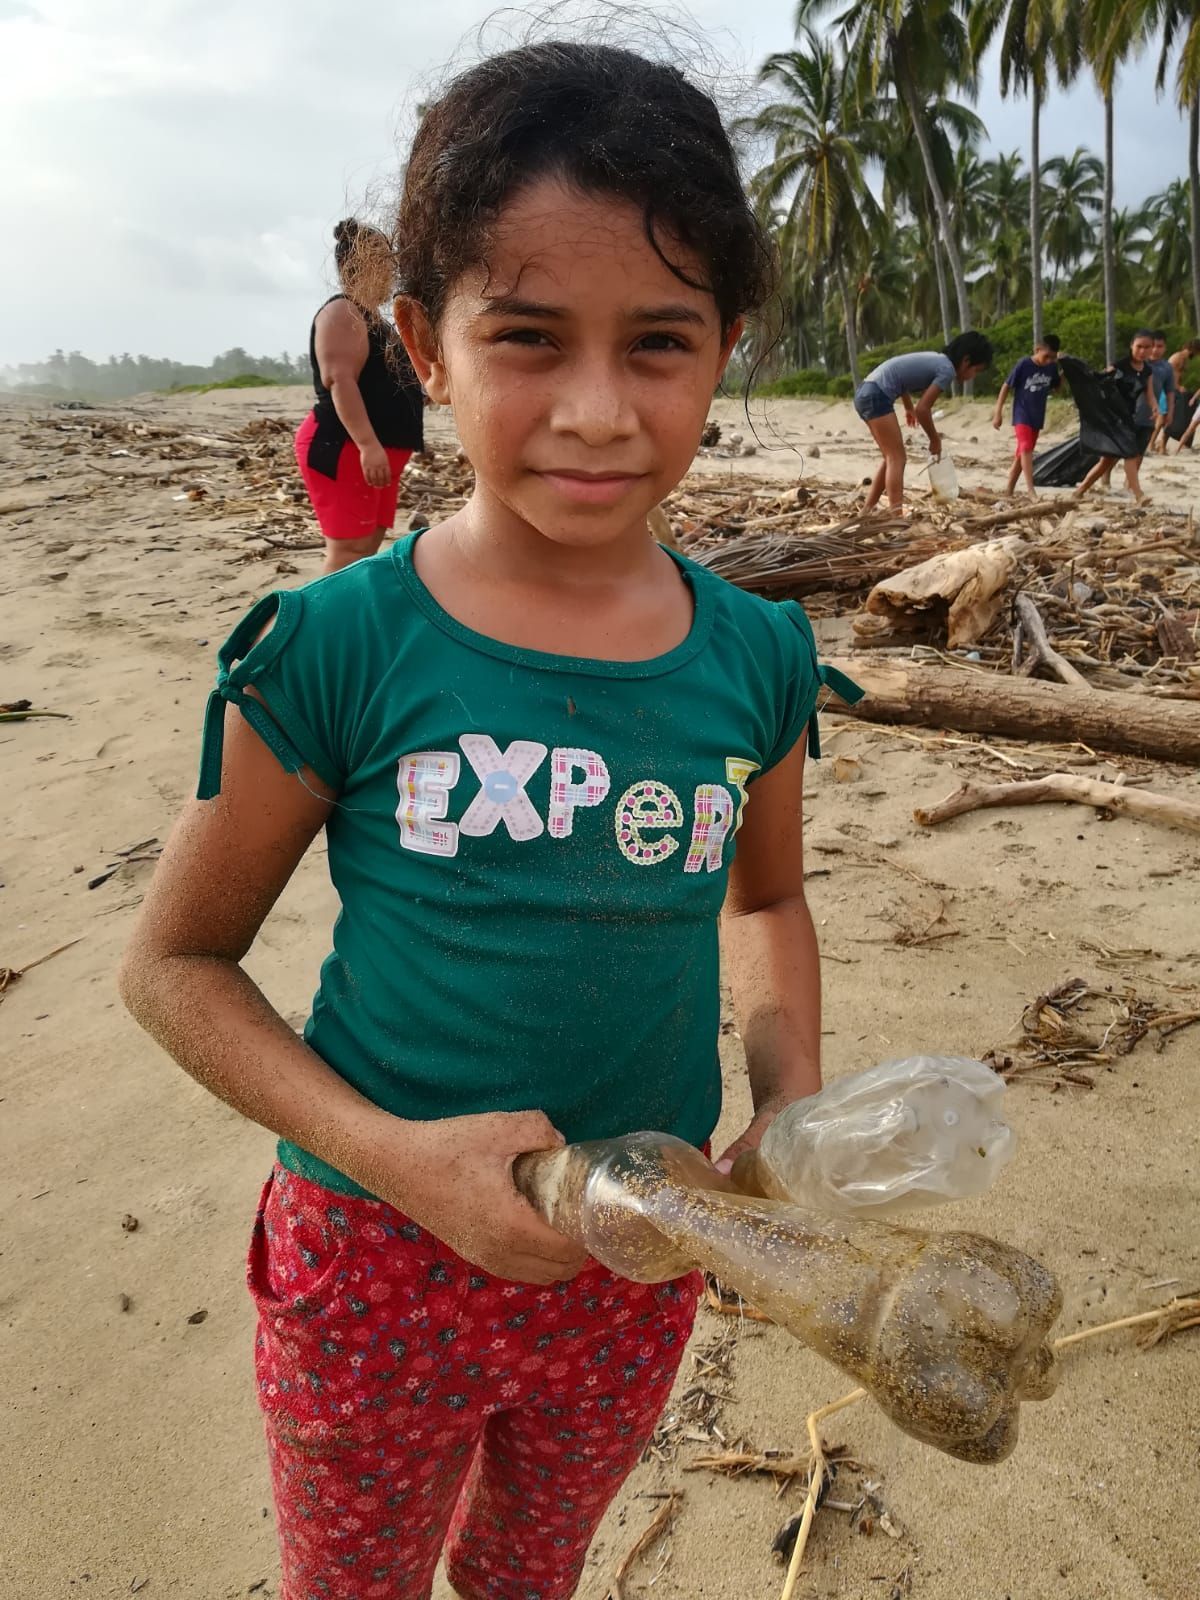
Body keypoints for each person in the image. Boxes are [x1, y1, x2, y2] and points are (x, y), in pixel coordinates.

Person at [119, 40, 861, 1600]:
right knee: (359, 1578)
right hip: (374, 1262)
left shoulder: (757, 656)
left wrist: (786, 1098)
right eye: (528, 336)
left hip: (635, 1257)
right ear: (426, 345)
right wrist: (388, 1156)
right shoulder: (338, 647)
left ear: (729, 345)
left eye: (658, 342)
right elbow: (174, 964)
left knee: (531, 1570)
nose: (596, 410)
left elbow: (766, 903)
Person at [296, 219, 426, 574]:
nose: (392, 271)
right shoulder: (342, 312)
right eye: (385, 262)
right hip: (346, 446)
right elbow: (340, 380)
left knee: (367, 544)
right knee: (349, 551)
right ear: (362, 264)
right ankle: (323, 626)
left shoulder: (374, 320)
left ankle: (344, 623)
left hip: (375, 449)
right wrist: (368, 445)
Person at [853, 332, 993, 512]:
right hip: (876, 394)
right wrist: (935, 439)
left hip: (866, 391)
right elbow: (923, 410)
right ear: (966, 361)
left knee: (890, 458)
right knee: (897, 458)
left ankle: (867, 510)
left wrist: (908, 406)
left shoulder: (937, 360)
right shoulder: (947, 370)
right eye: (976, 370)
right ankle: (896, 516)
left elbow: (900, 377)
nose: (973, 376)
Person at [1075, 330, 1157, 504]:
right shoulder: (1119, 366)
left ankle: (1079, 491)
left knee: (1106, 462)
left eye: (1147, 347)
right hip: (1113, 418)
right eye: (1139, 346)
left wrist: (1155, 407)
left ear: (1152, 349)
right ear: (1131, 346)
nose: (1142, 351)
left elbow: (1149, 394)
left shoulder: (1147, 371)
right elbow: (1099, 382)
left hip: (1128, 418)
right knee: (1131, 454)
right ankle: (1139, 495)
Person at [991, 333, 1062, 496]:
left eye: (1052, 358)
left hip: (1037, 416)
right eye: (1046, 357)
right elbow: (1006, 386)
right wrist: (998, 413)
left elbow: (1057, 388)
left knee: (1021, 454)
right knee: (1025, 447)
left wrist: (1065, 370)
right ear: (1037, 349)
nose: (1049, 361)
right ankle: (1031, 489)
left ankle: (1009, 490)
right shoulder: (1024, 364)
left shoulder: (1051, 367)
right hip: (1022, 413)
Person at [1164, 338, 1200, 451]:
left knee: (1172, 417)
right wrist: (1178, 387)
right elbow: (1171, 374)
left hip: (1174, 389)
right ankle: (1159, 446)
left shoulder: (1184, 358)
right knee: (1166, 418)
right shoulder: (1179, 357)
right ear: (1194, 349)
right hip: (1169, 389)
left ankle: (1163, 445)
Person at [1146, 331, 1177, 454]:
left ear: (1165, 348)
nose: (1155, 350)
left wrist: (1170, 412)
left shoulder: (1166, 367)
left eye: (1159, 346)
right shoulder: (1140, 362)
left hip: (1154, 408)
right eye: (1152, 346)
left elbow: (1170, 391)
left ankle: (1152, 445)